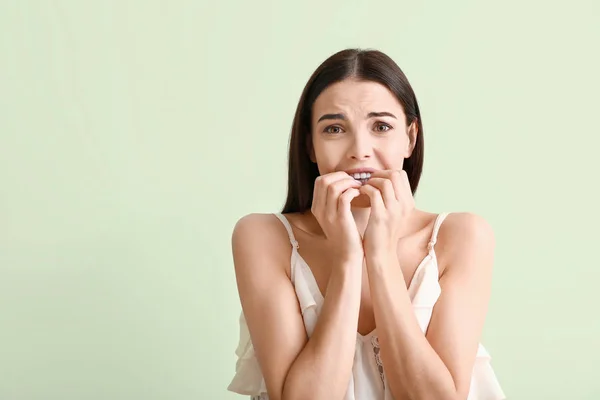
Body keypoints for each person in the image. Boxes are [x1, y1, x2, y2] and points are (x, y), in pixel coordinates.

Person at [227, 48, 505, 400]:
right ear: (309, 145)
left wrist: (381, 254)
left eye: (381, 126)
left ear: (410, 137)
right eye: (334, 128)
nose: (360, 149)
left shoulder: (462, 237)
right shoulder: (262, 237)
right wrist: (347, 258)